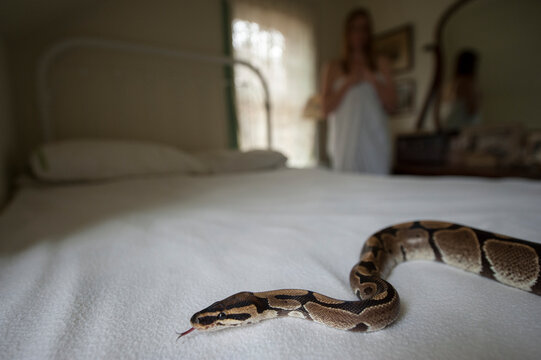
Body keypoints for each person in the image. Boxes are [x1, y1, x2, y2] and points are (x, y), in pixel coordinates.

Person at [321, 8, 396, 174]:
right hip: (344, 143)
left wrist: (373, 80)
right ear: (347, 33)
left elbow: (392, 106)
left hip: (375, 141)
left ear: (369, 33)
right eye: (354, 28)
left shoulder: (382, 63)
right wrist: (348, 83)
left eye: (364, 28)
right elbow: (325, 109)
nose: (359, 34)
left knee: (378, 192)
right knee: (346, 191)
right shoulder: (332, 67)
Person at [443, 50, 481, 131]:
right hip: (463, 127)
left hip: (449, 124)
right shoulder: (467, 83)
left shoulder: (451, 83)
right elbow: (472, 110)